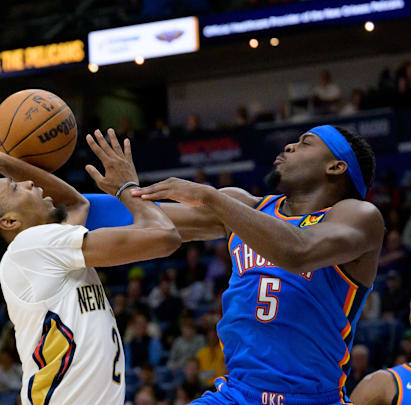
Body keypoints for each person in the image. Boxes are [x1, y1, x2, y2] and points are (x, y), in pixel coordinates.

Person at [127, 125, 384, 404]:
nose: (289, 146)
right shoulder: (247, 208)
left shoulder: (359, 216)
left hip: (312, 398)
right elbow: (144, 220)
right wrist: (106, 196)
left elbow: (298, 251)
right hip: (237, 394)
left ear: (336, 166)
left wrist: (211, 197)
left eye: (305, 143)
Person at [0, 129, 181, 405]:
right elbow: (166, 238)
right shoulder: (32, 246)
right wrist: (127, 188)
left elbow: (75, 203)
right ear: (9, 222)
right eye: (14, 187)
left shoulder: (36, 253)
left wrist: (0, 160)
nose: (27, 183)